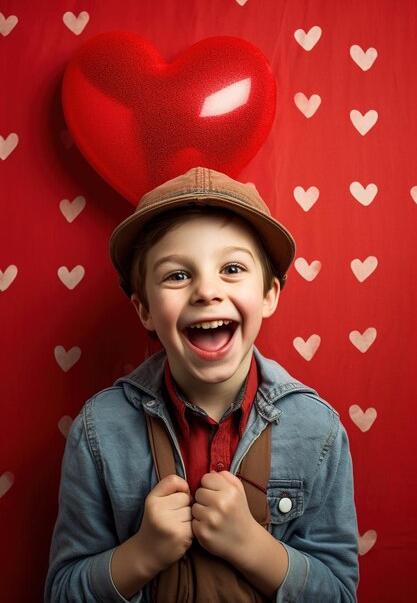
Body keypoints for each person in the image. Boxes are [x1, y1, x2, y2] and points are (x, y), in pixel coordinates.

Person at [45, 167, 359, 602]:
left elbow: (340, 594)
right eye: (177, 275)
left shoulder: (318, 430)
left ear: (269, 294)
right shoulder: (99, 431)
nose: (207, 291)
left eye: (231, 268)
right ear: (145, 311)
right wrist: (142, 554)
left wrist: (255, 547)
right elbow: (62, 593)